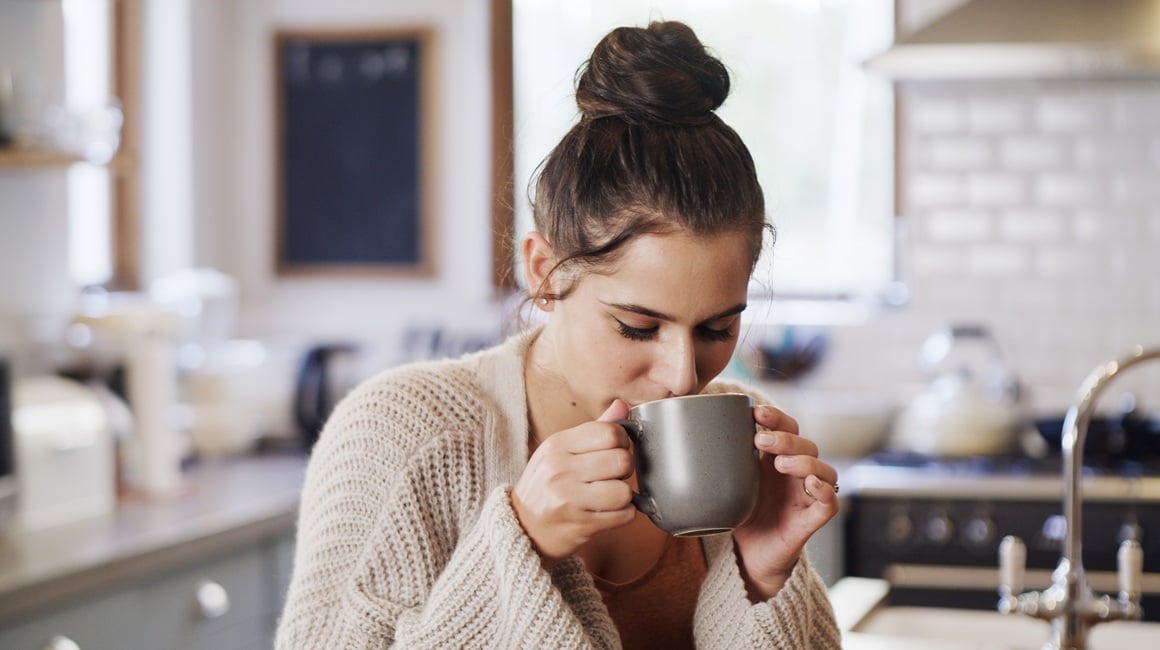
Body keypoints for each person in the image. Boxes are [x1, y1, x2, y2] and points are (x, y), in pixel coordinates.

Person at [276, 20, 841, 649]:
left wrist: (763, 572)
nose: (683, 374)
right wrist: (522, 543)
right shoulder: (401, 435)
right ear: (544, 271)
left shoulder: (742, 438)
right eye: (637, 326)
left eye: (717, 326)